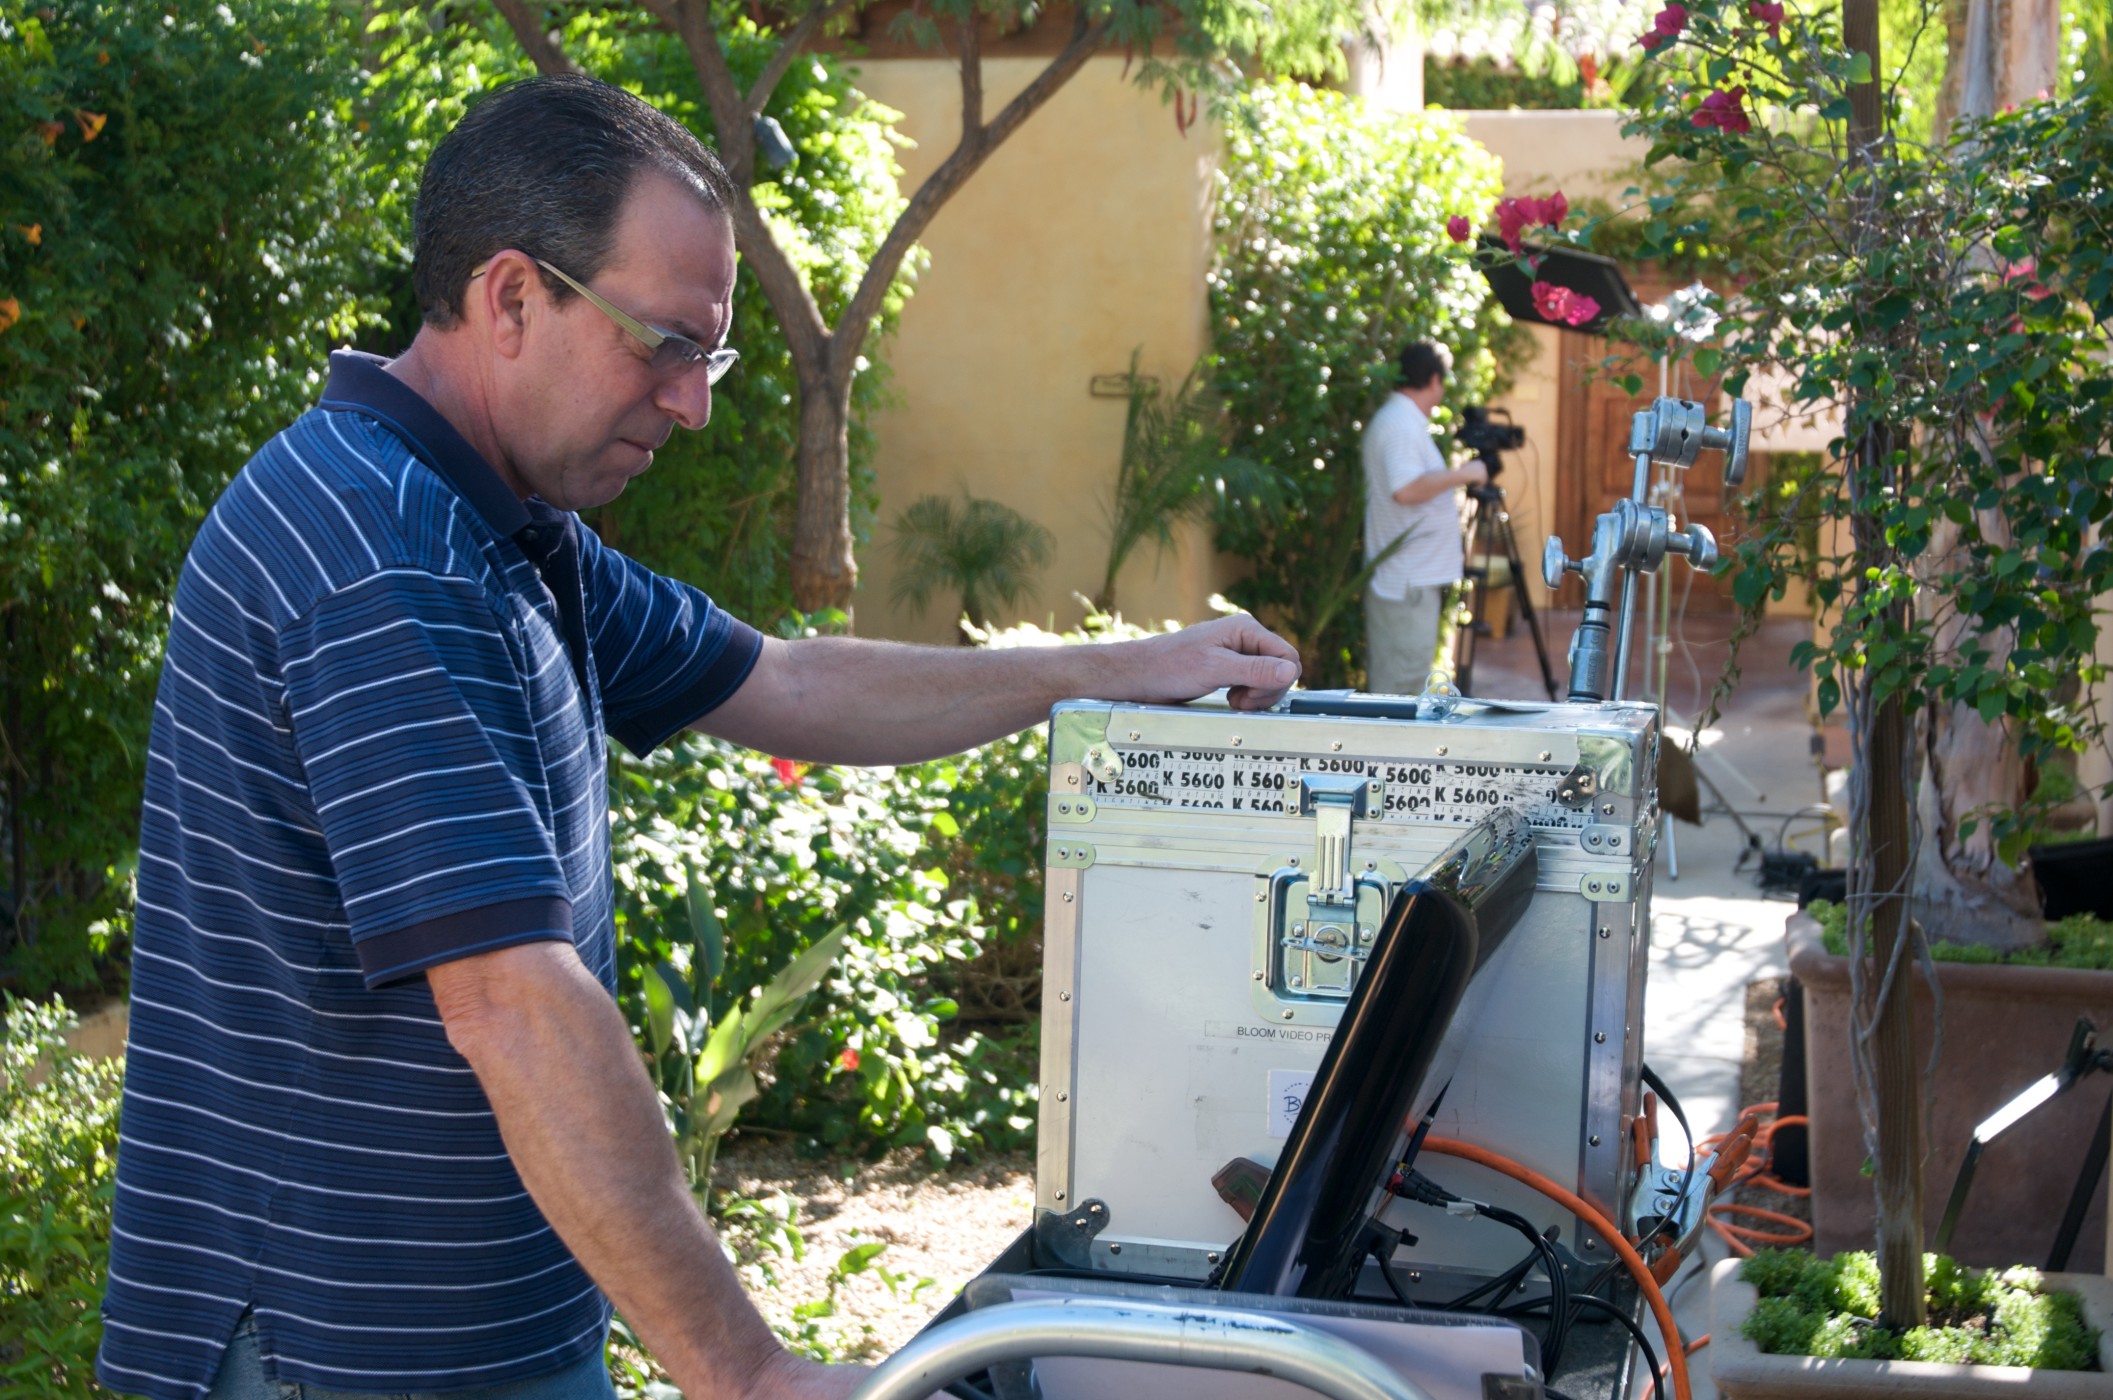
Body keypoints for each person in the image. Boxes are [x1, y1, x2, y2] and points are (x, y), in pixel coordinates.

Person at [97, 74, 1300, 1400]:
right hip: (345, 1356)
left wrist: (1133, 670)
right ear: (510, 299)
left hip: (475, 1340)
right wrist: (750, 1374)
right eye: (661, 344)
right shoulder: (387, 559)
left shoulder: (500, 529)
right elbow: (514, 1003)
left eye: (708, 356)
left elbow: (785, 684)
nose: (693, 404)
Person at [1360, 341, 1487, 694]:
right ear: (1434, 379)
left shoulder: (1399, 419)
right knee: (1399, 689)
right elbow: (1406, 490)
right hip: (1405, 586)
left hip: (1406, 584)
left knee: (1403, 683)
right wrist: (1465, 474)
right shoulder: (1401, 425)